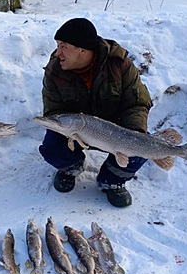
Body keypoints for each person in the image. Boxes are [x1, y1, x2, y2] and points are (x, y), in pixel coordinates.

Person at [39, 18, 153, 207]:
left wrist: (133, 133)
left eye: (63, 46)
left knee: (141, 148)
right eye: (58, 46)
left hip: (115, 131)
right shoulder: (55, 70)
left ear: (82, 50)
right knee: (52, 146)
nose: (58, 52)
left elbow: (137, 104)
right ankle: (71, 168)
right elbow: (54, 110)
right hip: (76, 132)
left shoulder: (120, 64)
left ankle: (112, 180)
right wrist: (70, 132)